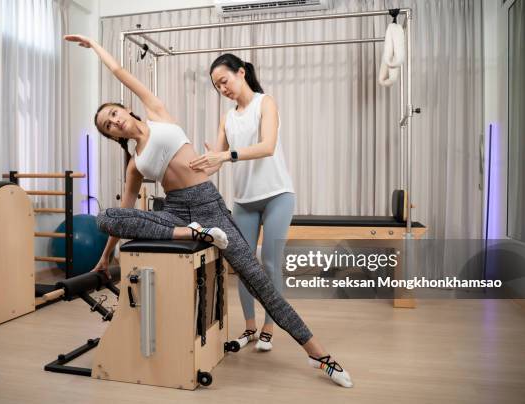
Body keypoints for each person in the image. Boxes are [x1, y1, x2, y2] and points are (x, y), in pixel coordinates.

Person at [64, 33, 353, 388]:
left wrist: (94, 45)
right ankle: (195, 235)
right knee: (106, 217)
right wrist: (104, 259)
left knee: (259, 281)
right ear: (112, 135)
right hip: (176, 215)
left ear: (126, 109)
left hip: (208, 206)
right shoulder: (135, 165)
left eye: (113, 113)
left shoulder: (157, 114)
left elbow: (121, 71)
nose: (114, 121)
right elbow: (122, 216)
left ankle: (319, 356)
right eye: (107, 125)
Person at [190, 54, 294, 352]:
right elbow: (215, 164)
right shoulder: (228, 117)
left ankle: (269, 327)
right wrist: (199, 164)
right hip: (244, 201)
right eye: (217, 86)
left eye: (224, 81)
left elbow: (267, 146)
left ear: (241, 72)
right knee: (244, 265)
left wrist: (223, 155)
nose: (222, 89)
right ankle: (249, 327)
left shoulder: (266, 103)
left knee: (272, 264)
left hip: (278, 195)